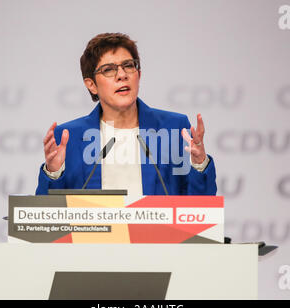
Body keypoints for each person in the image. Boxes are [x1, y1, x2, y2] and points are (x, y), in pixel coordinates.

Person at [35, 33, 217, 196]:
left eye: (128, 66)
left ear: (139, 74)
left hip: (159, 235)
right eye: (108, 69)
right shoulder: (68, 136)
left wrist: (199, 163)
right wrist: (53, 173)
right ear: (91, 85)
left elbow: (202, 209)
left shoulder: (173, 128)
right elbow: (47, 220)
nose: (122, 75)